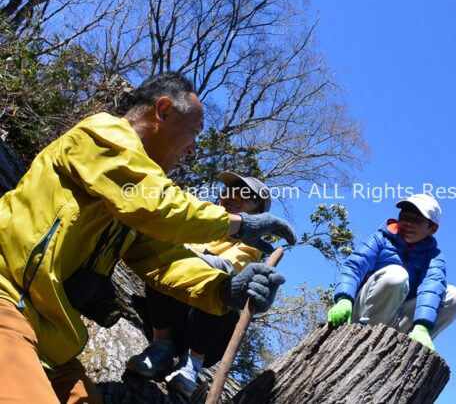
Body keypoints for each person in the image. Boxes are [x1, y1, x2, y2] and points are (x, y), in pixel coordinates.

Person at [0, 73, 296, 403]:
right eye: (194, 133)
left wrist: (226, 291)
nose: (192, 151)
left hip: (53, 343)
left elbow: (163, 259)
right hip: (8, 300)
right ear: (163, 110)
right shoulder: (102, 134)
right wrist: (240, 224)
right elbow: (155, 204)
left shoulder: (131, 203)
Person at [126, 171, 275, 398]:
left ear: (258, 214)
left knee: (225, 286)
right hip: (164, 318)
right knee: (167, 266)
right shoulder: (202, 222)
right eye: (231, 190)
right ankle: (161, 346)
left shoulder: (250, 246)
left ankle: (192, 363)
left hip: (205, 333)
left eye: (246, 195)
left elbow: (228, 268)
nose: (234, 196)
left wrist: (179, 254)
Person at [327, 193, 456, 351]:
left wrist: (422, 326)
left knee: (454, 297)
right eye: (405, 217)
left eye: (417, 220)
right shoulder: (380, 239)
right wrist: (344, 299)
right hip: (364, 312)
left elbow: (431, 287)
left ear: (433, 228)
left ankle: (409, 347)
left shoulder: (433, 257)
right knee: (397, 274)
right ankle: (365, 335)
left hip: (396, 320)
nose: (408, 223)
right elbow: (354, 266)